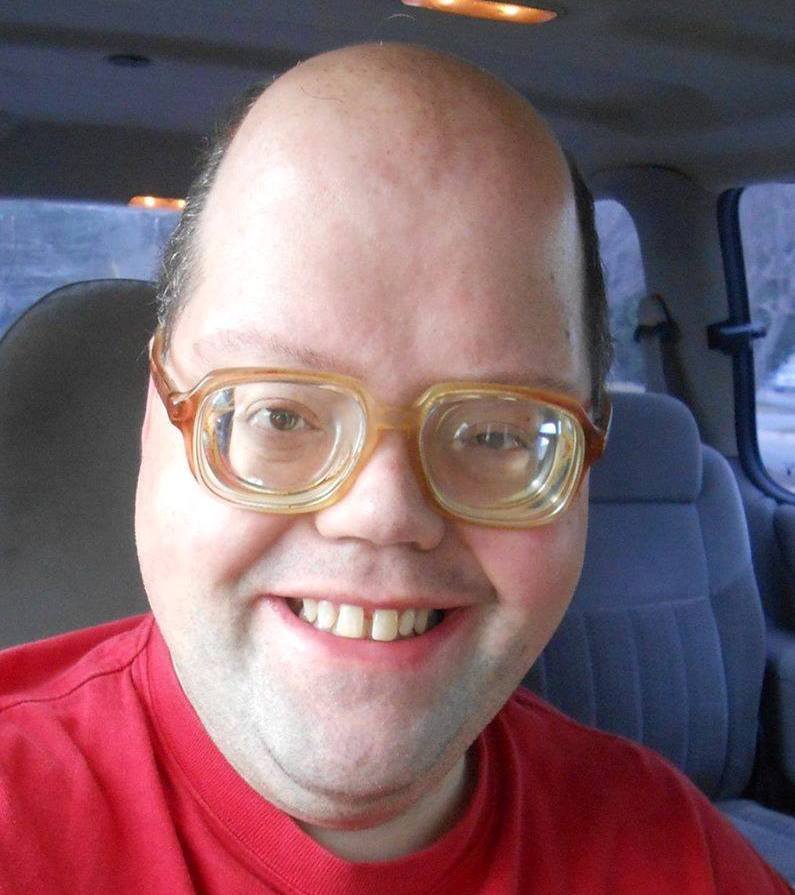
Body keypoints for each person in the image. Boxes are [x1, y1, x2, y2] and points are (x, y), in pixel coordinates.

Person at [0, 42, 791, 895]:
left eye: (492, 433)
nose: (381, 511)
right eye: (279, 414)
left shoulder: (682, 859)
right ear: (156, 417)